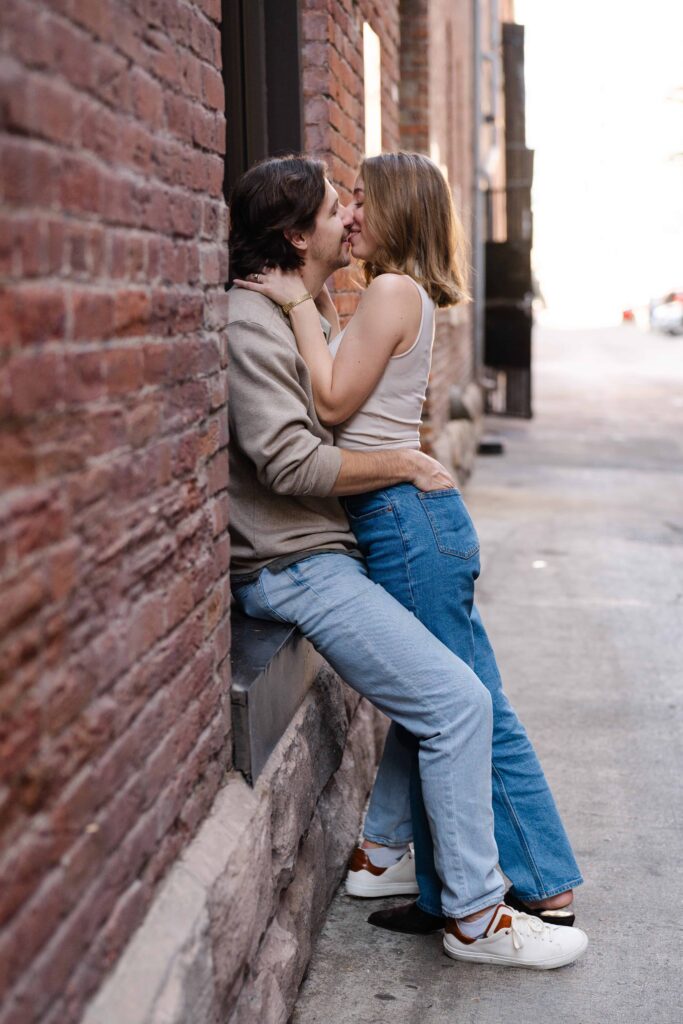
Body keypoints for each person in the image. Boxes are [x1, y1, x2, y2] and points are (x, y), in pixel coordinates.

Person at [228, 153, 588, 968]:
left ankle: (532, 884)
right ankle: (403, 863)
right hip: (383, 523)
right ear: (295, 235)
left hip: (402, 526)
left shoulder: (373, 295)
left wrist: (305, 305)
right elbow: (318, 423)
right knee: (452, 695)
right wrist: (306, 306)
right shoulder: (313, 305)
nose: (349, 215)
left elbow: (328, 406)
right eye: (336, 206)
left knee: (465, 699)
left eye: (358, 200)